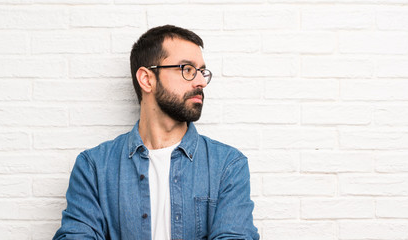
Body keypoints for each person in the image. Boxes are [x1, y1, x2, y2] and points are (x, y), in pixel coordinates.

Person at [53, 25, 260, 240]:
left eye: (201, 71)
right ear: (147, 79)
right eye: (187, 69)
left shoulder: (228, 165)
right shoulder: (94, 167)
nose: (200, 82)